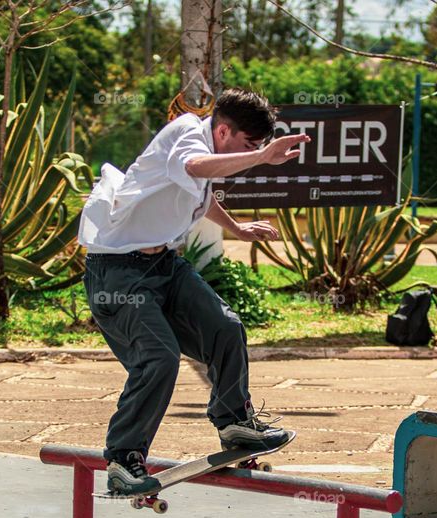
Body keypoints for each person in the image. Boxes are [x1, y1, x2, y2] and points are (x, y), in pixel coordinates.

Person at [78, 88, 310, 497]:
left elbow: (199, 196)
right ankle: (123, 459)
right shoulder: (186, 132)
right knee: (159, 358)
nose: (251, 155)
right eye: (247, 145)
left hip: (164, 267)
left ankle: (235, 421)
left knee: (225, 327)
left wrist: (237, 228)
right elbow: (195, 166)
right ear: (223, 130)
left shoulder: (207, 149)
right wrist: (261, 156)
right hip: (118, 274)